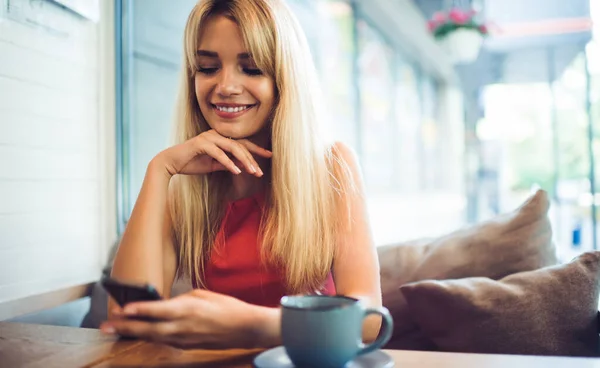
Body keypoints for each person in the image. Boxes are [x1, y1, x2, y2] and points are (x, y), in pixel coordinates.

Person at [100, 0, 382, 350]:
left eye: (251, 69)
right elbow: (129, 317)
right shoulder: (183, 183)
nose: (226, 86)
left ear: (284, 79)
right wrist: (160, 169)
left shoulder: (332, 166)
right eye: (207, 67)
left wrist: (254, 326)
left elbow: (369, 321)